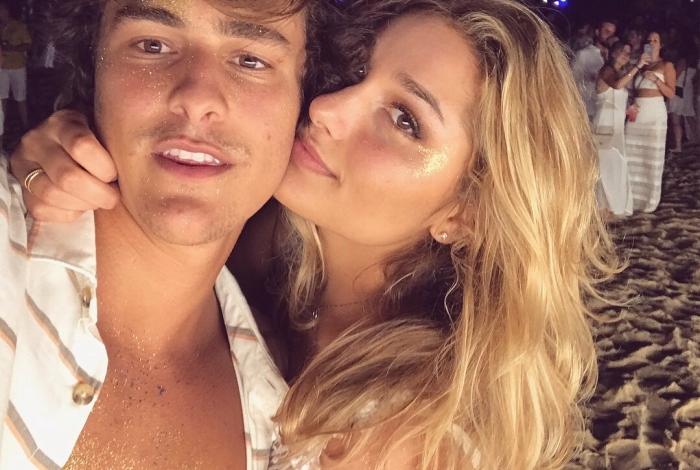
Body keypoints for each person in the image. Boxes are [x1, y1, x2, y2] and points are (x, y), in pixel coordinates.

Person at [10, 0, 619, 468]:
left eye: (405, 119)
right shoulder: (261, 262)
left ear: (467, 213)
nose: (328, 109)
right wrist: (48, 159)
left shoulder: (411, 435)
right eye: (355, 74)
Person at [0, 0, 308, 468]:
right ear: (93, 69)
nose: (197, 99)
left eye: (251, 60)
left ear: (305, 108)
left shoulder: (289, 421)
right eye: (152, 45)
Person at [592, 41, 649, 217]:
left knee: (617, 163)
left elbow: (618, 96)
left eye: (628, 52)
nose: (626, 55)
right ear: (614, 52)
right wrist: (637, 66)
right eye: (622, 51)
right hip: (605, 122)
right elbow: (617, 85)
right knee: (606, 164)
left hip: (617, 124)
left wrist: (629, 109)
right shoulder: (606, 70)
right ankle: (602, 206)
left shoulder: (621, 73)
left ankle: (613, 205)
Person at [626, 31, 676, 213]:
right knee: (632, 153)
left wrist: (655, 79)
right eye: (649, 40)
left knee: (651, 156)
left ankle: (649, 201)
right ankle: (631, 197)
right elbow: (632, 89)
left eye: (655, 40)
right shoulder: (640, 65)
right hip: (638, 111)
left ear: (661, 45)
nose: (652, 43)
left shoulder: (666, 65)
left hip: (655, 112)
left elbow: (671, 93)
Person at [572, 19, 618, 121]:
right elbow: (573, 79)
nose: (610, 36)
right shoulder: (584, 54)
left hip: (607, 112)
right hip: (587, 109)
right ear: (597, 32)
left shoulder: (615, 58)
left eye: (613, 33)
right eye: (607, 31)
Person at [0, 1, 31, 131]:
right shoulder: (1, 27)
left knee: (20, 97)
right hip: (2, 67)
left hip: (17, 67)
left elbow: (28, 45)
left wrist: (12, 47)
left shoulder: (19, 26)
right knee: (2, 98)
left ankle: (26, 126)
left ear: (6, 11)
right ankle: (2, 127)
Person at [668, 52, 698, 151]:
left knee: (676, 119)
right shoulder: (694, 64)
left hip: (678, 90)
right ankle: (696, 138)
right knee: (689, 115)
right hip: (687, 90)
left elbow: (675, 78)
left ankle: (678, 146)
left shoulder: (682, 61)